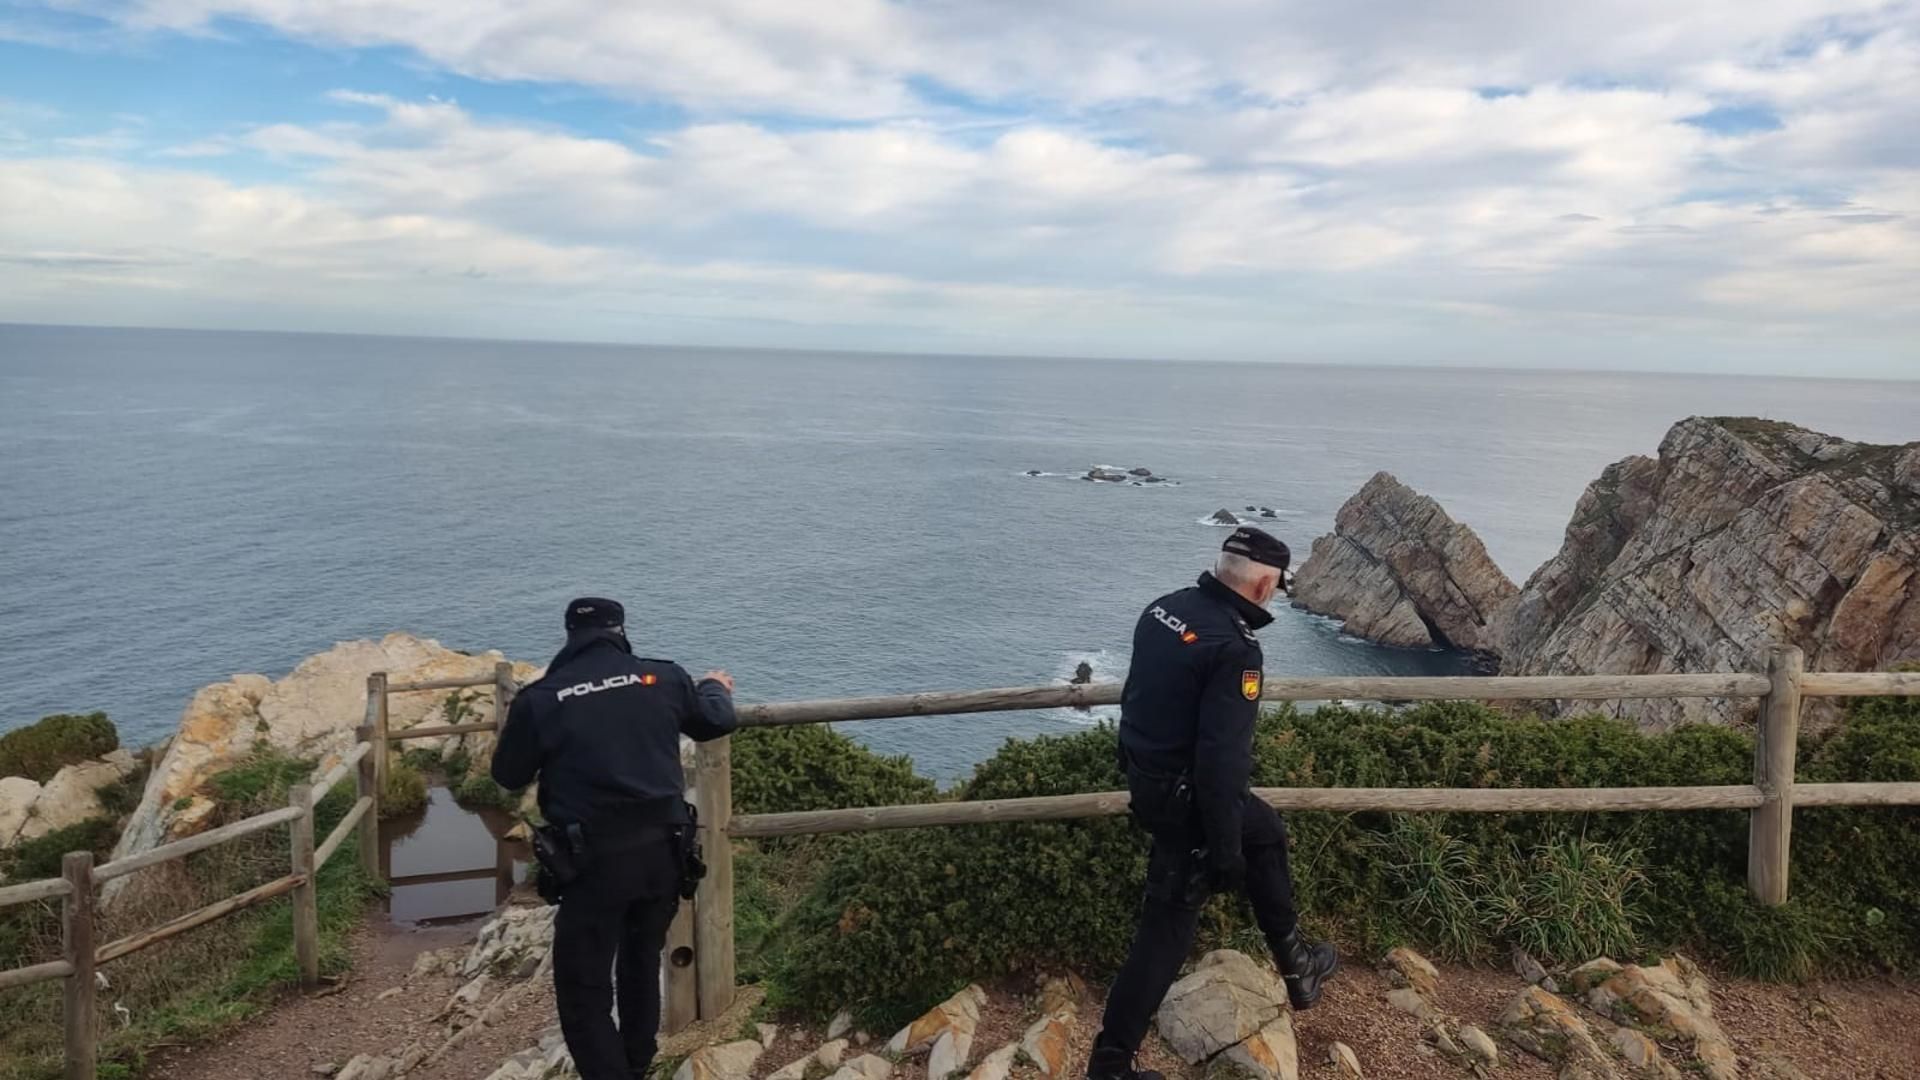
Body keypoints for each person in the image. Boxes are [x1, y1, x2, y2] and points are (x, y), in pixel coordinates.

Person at [1087, 528, 1339, 1080]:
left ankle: (1298, 966)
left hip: (1150, 783)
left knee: (1267, 829)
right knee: (1165, 933)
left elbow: (1137, 699)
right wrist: (1225, 852)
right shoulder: (1234, 648)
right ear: (1266, 583)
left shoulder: (1164, 610)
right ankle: (1109, 1066)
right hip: (1188, 804)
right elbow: (1223, 761)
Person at [492, 597, 738, 1080]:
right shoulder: (662, 678)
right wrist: (714, 685)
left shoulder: (542, 699)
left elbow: (507, 775)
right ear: (621, 630)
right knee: (640, 961)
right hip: (664, 857)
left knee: (583, 990)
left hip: (593, 865)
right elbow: (717, 720)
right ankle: (636, 1065)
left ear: (569, 635)